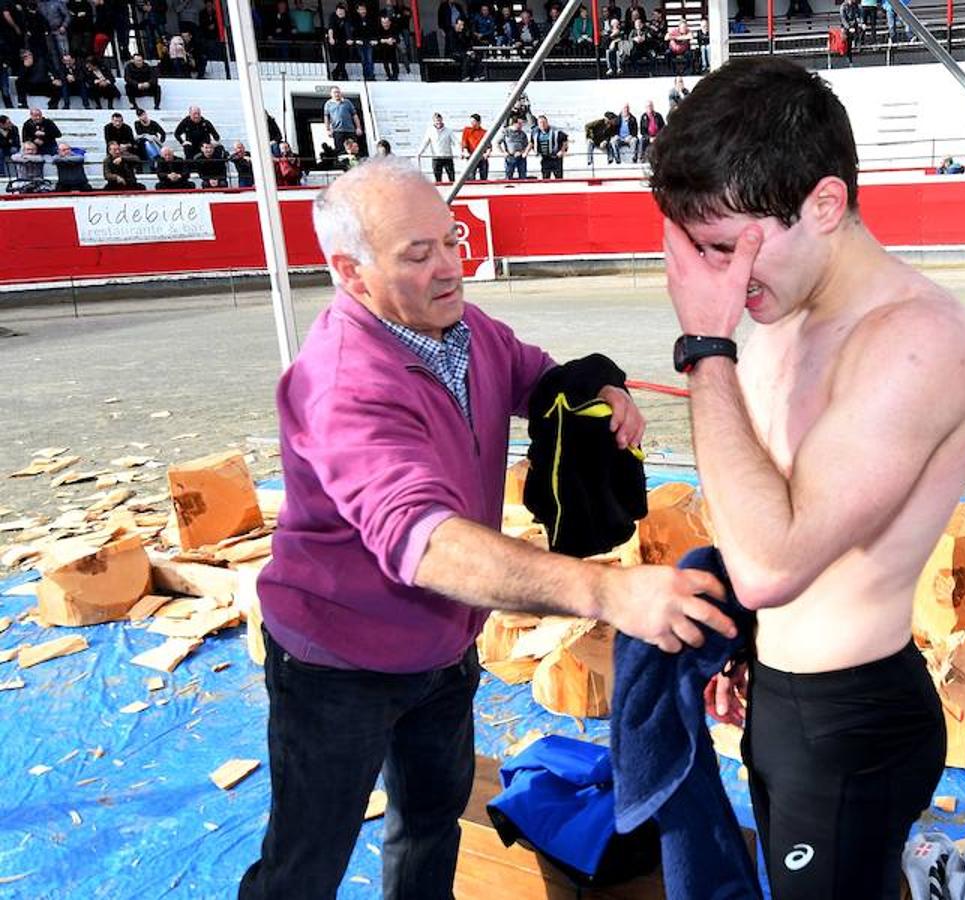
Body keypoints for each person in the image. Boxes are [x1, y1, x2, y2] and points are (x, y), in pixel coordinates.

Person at [235, 156, 735, 900]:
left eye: (451, 238)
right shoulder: (340, 383)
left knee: (431, 823)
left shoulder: (461, 330)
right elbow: (423, 540)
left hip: (442, 650)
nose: (449, 267)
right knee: (306, 862)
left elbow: (533, 374)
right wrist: (607, 591)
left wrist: (594, 387)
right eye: (418, 253)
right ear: (350, 271)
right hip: (336, 666)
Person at [647, 58, 965, 899]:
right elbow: (753, 519)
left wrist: (703, 349)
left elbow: (774, 563)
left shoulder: (915, 342)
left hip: (852, 725)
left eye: (726, 249)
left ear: (825, 205)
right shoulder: (783, 316)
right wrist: (744, 645)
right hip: (785, 697)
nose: (721, 282)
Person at [324, 87, 363, 159]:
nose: (336, 94)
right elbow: (327, 117)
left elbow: (355, 115)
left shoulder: (347, 102)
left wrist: (358, 128)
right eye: (334, 92)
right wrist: (328, 129)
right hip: (337, 131)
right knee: (340, 150)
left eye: (338, 92)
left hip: (350, 130)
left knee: (353, 148)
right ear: (331, 94)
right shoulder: (328, 104)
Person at [418, 112, 456, 182]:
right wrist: (419, 153)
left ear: (442, 120)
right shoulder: (430, 131)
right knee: (438, 179)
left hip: (447, 157)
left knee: (452, 178)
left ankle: (454, 191)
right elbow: (425, 142)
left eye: (439, 120)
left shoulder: (448, 131)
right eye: (436, 121)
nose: (438, 122)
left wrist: (461, 152)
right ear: (434, 121)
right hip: (436, 158)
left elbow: (455, 142)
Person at [532, 114, 567, 179]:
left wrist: (562, 151)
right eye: (540, 123)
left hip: (556, 158)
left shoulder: (556, 131)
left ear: (547, 122)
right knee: (545, 178)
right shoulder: (535, 132)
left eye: (544, 122)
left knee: (558, 178)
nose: (542, 124)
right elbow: (531, 142)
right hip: (545, 158)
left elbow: (565, 140)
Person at [326, 1, 352, 79]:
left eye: (342, 12)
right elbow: (331, 28)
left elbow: (348, 29)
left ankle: (337, 72)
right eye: (339, 11)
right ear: (336, 11)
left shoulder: (347, 17)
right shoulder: (333, 16)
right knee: (339, 57)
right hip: (335, 39)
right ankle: (342, 73)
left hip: (344, 39)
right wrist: (331, 38)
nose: (340, 13)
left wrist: (349, 39)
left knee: (344, 57)